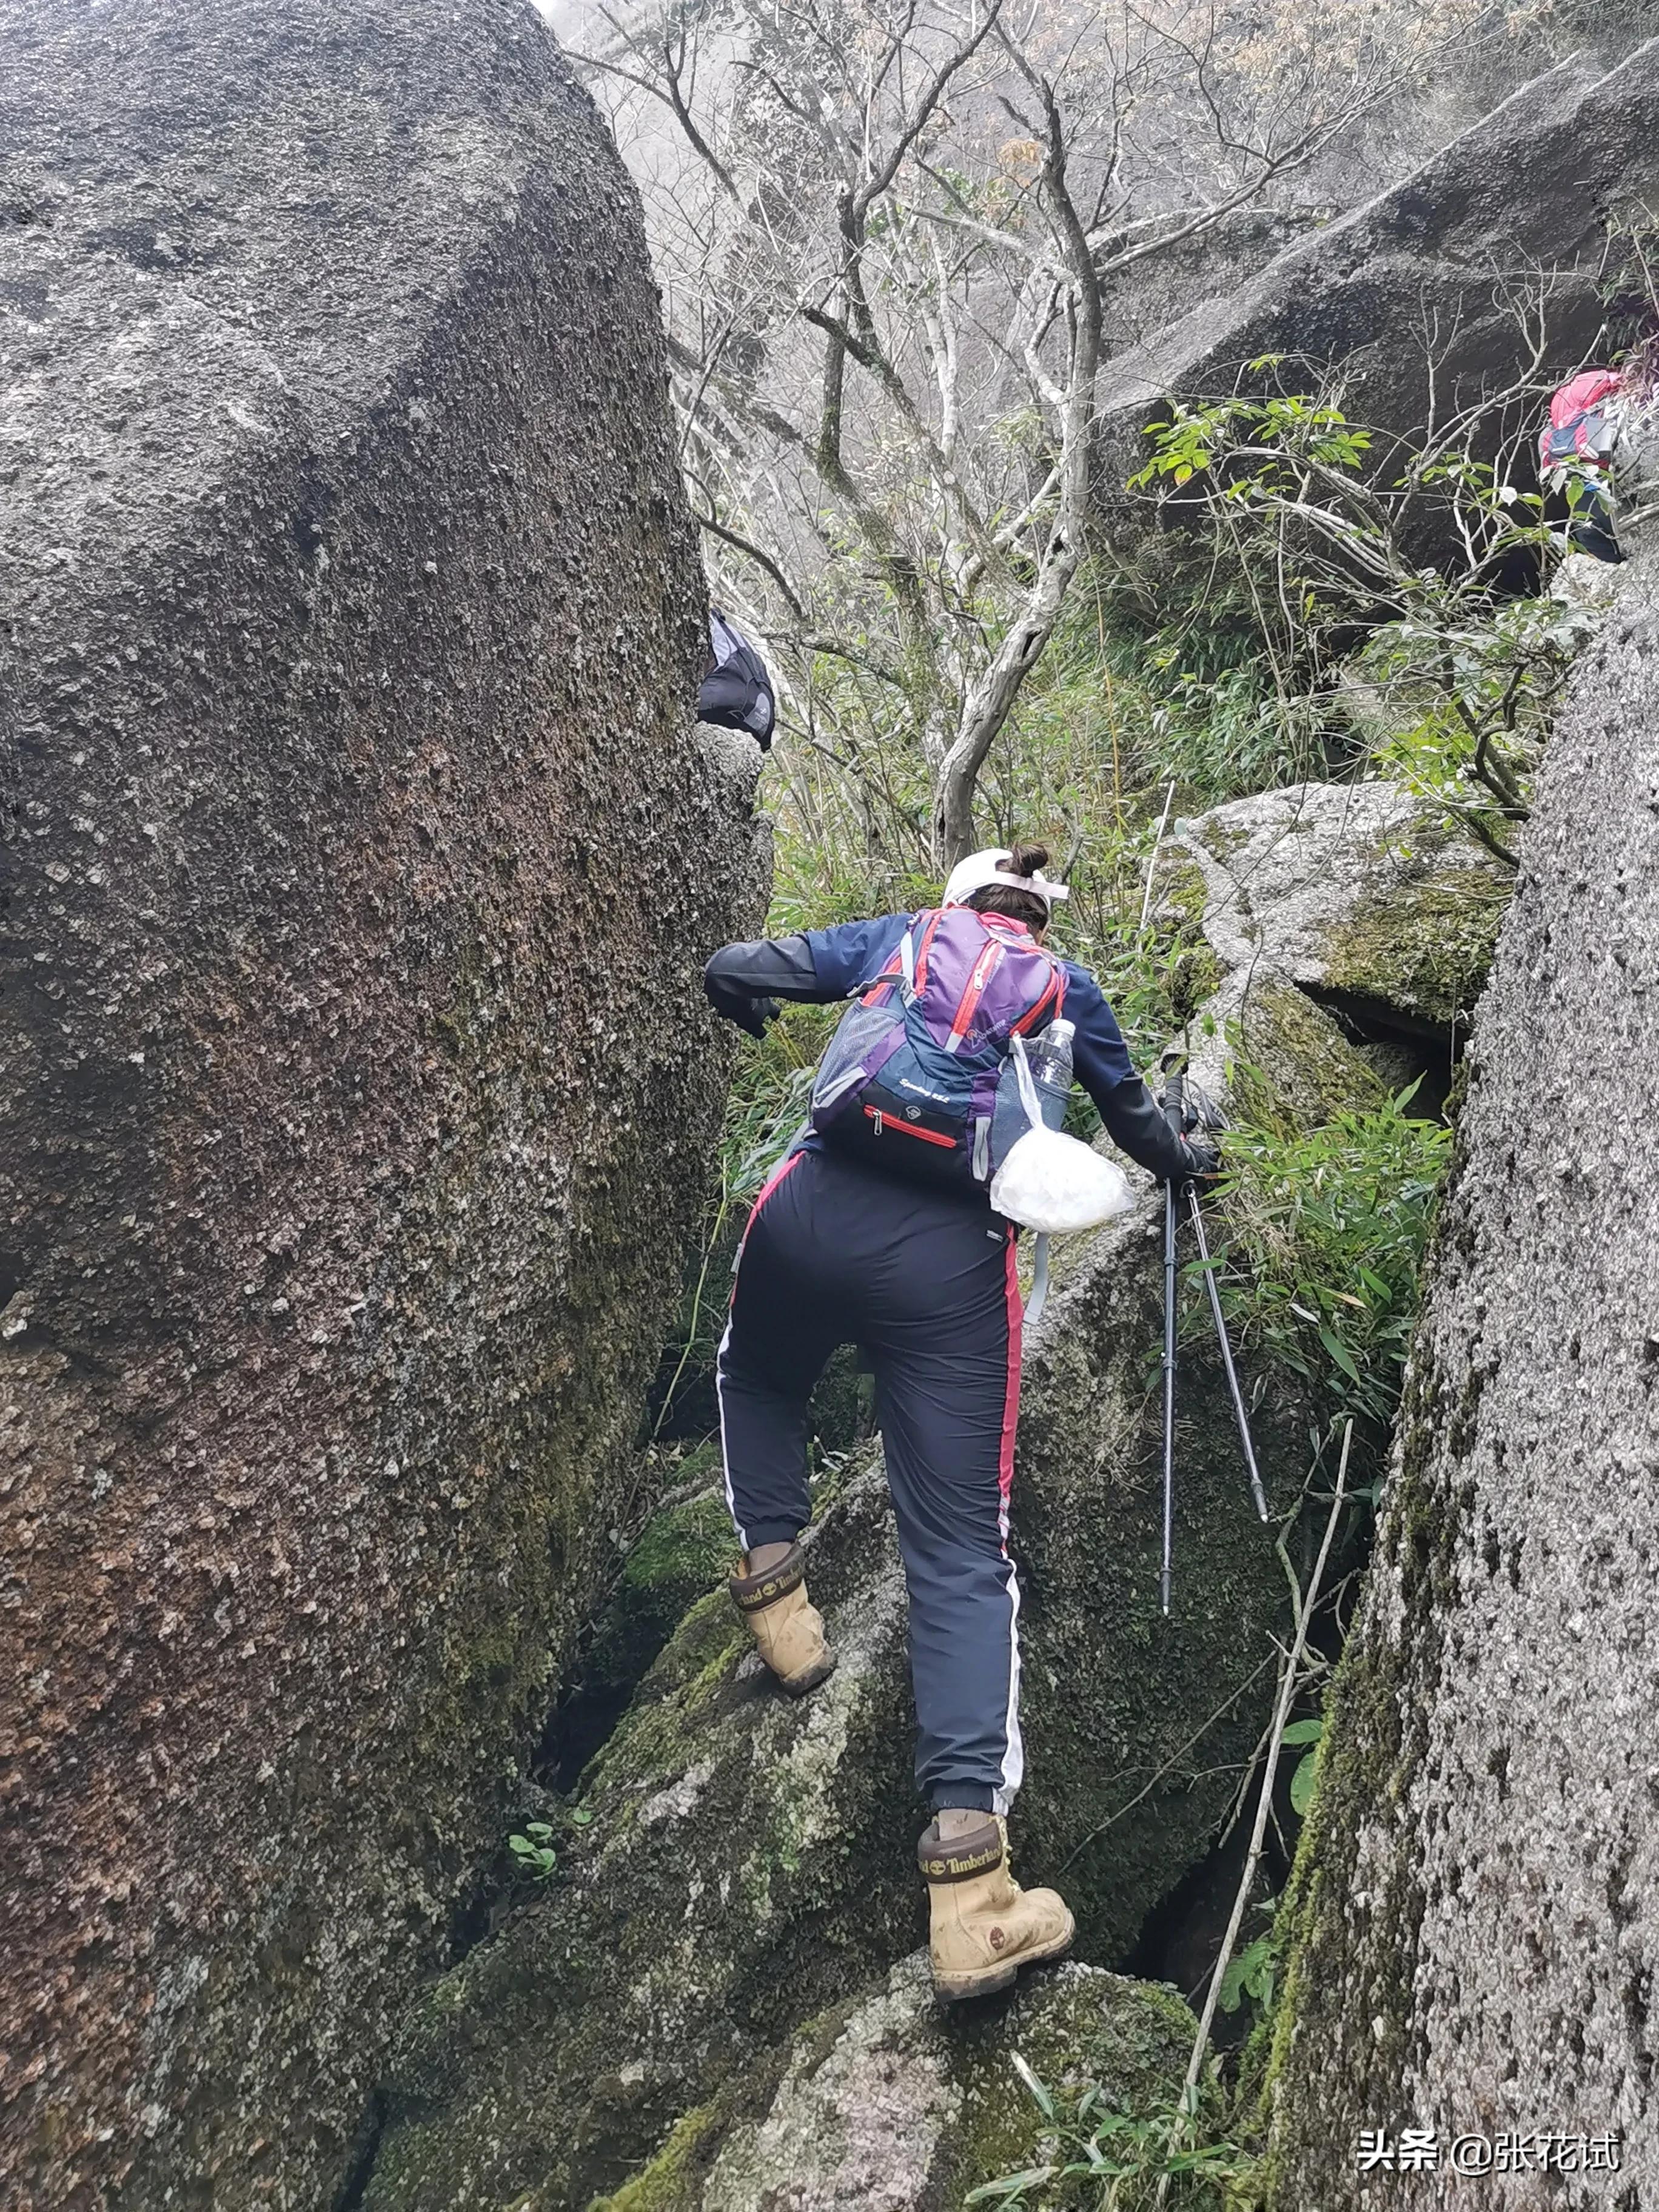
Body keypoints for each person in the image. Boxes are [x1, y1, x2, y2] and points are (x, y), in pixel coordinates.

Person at [703, 844, 1218, 2002]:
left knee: (757, 1375)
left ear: (960, 904)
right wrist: (1188, 1162)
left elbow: (744, 964)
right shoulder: (1067, 988)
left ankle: (780, 1599)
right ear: (1037, 915)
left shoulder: (900, 940)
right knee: (957, 1556)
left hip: (810, 1209)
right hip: (950, 1267)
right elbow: (1133, 1123)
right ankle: (972, 1899)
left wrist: (736, 998)